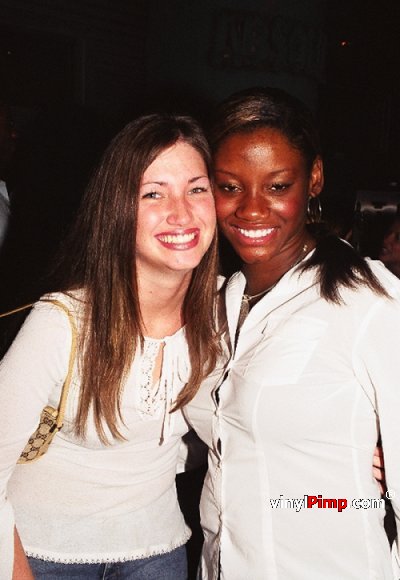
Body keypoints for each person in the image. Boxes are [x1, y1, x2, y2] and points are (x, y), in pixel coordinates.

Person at [184, 87, 400, 579]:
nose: (251, 209)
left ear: (314, 178)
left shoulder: (368, 302)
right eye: (229, 187)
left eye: (277, 186)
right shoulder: (214, 306)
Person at [0, 113, 220, 579]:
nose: (181, 213)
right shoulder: (63, 322)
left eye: (197, 189)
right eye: (153, 193)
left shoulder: (226, 311)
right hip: (44, 555)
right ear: (118, 208)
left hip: (159, 551)